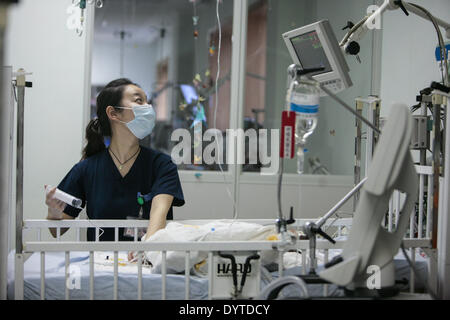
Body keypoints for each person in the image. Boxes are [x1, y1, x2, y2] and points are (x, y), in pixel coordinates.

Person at [44, 78, 184, 257]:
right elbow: (56, 231)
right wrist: (54, 212)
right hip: (100, 269)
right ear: (113, 113)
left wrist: (146, 250)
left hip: (146, 264)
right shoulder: (86, 169)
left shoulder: (162, 165)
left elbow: (159, 213)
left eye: (147, 101)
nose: (148, 107)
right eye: (138, 100)